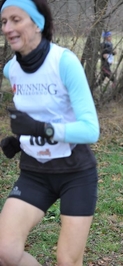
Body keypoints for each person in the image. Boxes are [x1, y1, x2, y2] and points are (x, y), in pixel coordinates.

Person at [0, 0, 100, 265]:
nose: (8, 27)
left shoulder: (64, 62)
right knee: (5, 251)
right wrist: (22, 141)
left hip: (75, 174)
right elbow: (42, 112)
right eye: (3, 21)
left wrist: (39, 130)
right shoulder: (12, 70)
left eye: (16, 20)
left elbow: (90, 130)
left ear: (38, 23)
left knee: (68, 261)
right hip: (34, 173)